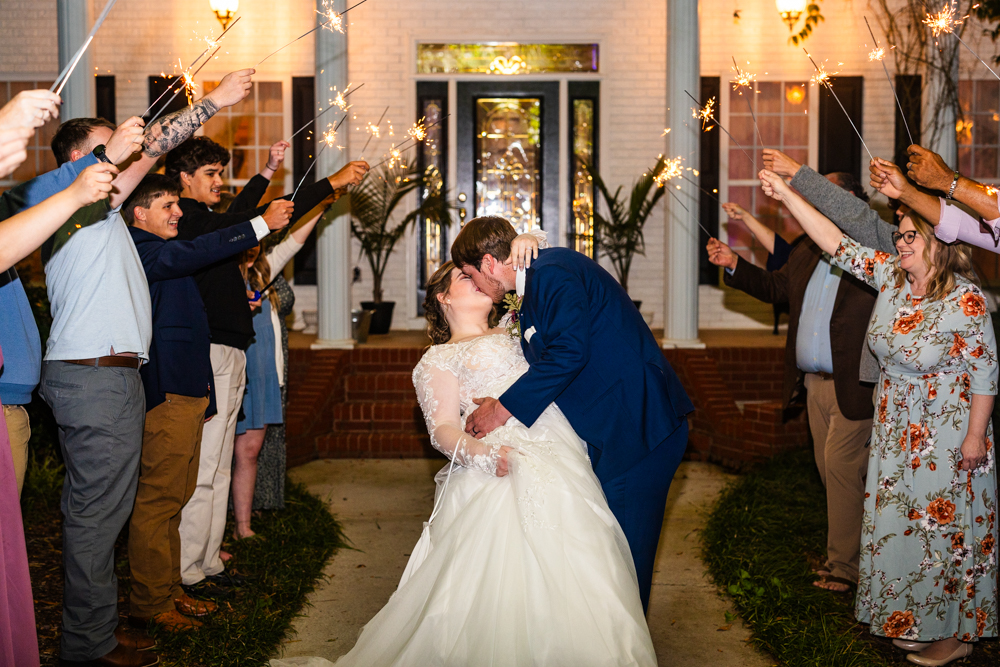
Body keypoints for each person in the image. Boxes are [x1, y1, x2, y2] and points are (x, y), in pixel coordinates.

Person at [271, 253, 656, 666]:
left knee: (584, 561)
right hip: (499, 464)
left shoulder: (517, 328)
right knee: (500, 579)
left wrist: (529, 242)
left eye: (473, 271)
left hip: (561, 453)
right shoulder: (437, 359)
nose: (475, 279)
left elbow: (552, 326)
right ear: (443, 298)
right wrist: (486, 456)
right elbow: (442, 429)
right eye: (462, 277)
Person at [38, 69, 254, 667]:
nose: (129, 152)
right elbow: (155, 148)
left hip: (118, 375)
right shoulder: (73, 210)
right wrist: (212, 102)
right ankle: (88, 647)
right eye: (113, 145)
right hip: (93, 374)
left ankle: (103, 631)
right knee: (96, 522)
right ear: (83, 158)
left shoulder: (103, 217)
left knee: (110, 516)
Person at [758, 168, 998, 666]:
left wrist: (976, 437)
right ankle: (913, 619)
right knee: (901, 533)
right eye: (900, 234)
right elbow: (833, 241)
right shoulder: (890, 278)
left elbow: (984, 374)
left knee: (942, 536)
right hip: (893, 434)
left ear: (937, 242)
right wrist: (787, 193)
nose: (901, 241)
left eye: (911, 234)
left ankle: (956, 635)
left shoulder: (965, 300)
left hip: (947, 440)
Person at [458, 216, 694, 612]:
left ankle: (624, 651)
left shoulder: (551, 273)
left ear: (486, 263)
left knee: (625, 557)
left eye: (471, 275)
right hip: (617, 430)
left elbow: (568, 354)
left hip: (637, 431)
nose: (477, 287)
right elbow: (550, 366)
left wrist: (501, 411)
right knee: (608, 552)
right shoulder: (537, 281)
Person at [168, 135, 368, 598]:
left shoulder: (205, 219)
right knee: (205, 467)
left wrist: (264, 176)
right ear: (184, 179)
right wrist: (329, 184)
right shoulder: (189, 221)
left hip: (233, 351)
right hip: (212, 352)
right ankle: (189, 571)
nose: (220, 181)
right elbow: (245, 220)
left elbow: (239, 214)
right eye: (211, 175)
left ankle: (209, 558)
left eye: (221, 172)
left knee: (218, 464)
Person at [124, 173, 288, 633]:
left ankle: (170, 588)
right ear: (140, 214)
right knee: (160, 498)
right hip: (169, 388)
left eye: (178, 205)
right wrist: (257, 224)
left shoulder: (158, 246)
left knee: (177, 493)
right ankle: (150, 603)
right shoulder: (143, 247)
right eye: (168, 206)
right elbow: (196, 252)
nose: (178, 213)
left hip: (190, 386)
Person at [708, 174, 880, 594]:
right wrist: (734, 263)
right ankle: (874, 548)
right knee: (833, 473)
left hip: (854, 383)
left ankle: (844, 567)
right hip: (813, 384)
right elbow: (776, 287)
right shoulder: (805, 250)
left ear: (850, 204)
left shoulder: (871, 253)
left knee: (840, 467)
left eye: (826, 195)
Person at [232, 205, 326, 533]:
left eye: (258, 235)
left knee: (251, 449)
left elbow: (294, 242)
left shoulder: (261, 273)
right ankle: (218, 529)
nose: (255, 242)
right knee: (227, 452)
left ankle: (243, 527)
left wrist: (323, 203)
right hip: (235, 372)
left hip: (264, 373)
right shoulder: (220, 275)